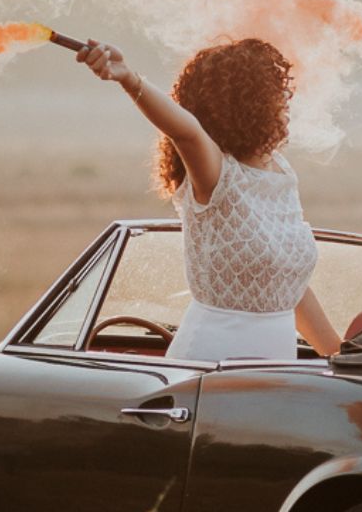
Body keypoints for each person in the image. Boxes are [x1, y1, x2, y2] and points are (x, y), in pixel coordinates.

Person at [77, 36, 339, 362]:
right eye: (275, 96)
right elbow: (186, 132)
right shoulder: (217, 174)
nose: (285, 104)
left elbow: (289, 289)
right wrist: (129, 79)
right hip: (208, 368)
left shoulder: (283, 174)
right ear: (249, 106)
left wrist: (341, 356)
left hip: (277, 375)